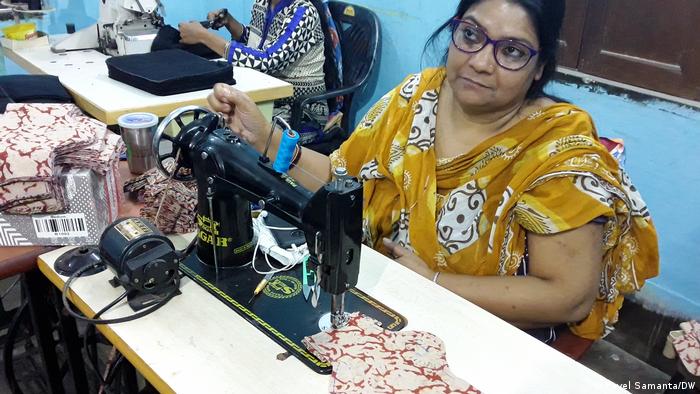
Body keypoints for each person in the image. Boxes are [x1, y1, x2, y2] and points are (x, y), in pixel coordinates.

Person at [207, 0, 659, 342]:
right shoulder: (414, 98)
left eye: (513, 51)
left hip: (487, 337)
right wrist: (265, 138)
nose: (482, 61)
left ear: (539, 68)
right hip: (380, 302)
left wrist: (435, 285)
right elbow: (342, 180)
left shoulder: (558, 151)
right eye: (471, 35)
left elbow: (569, 295)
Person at [179, 0, 338, 141]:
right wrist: (230, 22)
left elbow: (268, 60)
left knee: (227, 133)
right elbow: (257, 45)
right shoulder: (262, 4)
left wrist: (204, 37)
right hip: (268, 96)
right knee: (210, 119)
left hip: (300, 110)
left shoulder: (303, 13)